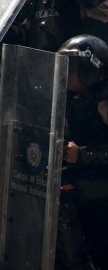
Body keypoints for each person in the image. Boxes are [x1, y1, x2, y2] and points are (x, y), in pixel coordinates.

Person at [56, 34, 108, 270]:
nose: (65, 72)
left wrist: (83, 155)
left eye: (72, 66)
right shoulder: (74, 100)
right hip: (85, 187)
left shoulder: (104, 102)